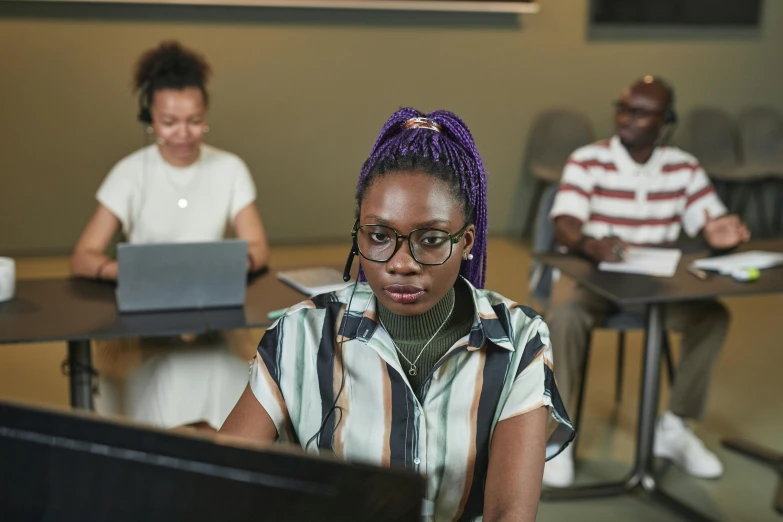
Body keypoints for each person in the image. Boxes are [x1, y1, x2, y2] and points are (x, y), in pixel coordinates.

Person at [220, 109, 574, 521]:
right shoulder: (300, 334)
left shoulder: (518, 341)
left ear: (467, 242)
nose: (401, 262)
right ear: (359, 235)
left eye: (430, 239)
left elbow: (508, 514)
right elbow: (225, 484)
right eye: (380, 236)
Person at [542, 76, 750, 488]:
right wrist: (589, 244)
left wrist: (720, 234)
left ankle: (673, 427)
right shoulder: (588, 159)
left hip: (653, 285)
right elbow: (564, 225)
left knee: (711, 317)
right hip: (591, 276)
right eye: (622, 108)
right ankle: (557, 434)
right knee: (564, 315)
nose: (626, 118)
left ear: (666, 121)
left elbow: (710, 221)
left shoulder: (683, 167)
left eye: (640, 112)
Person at [70, 41, 270, 431]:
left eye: (195, 120)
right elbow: (83, 256)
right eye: (169, 122)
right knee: (162, 376)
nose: (183, 133)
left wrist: (229, 266)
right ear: (149, 118)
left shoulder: (229, 169)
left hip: (210, 322)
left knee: (227, 376)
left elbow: (259, 248)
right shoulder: (129, 173)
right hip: (143, 326)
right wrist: (125, 271)